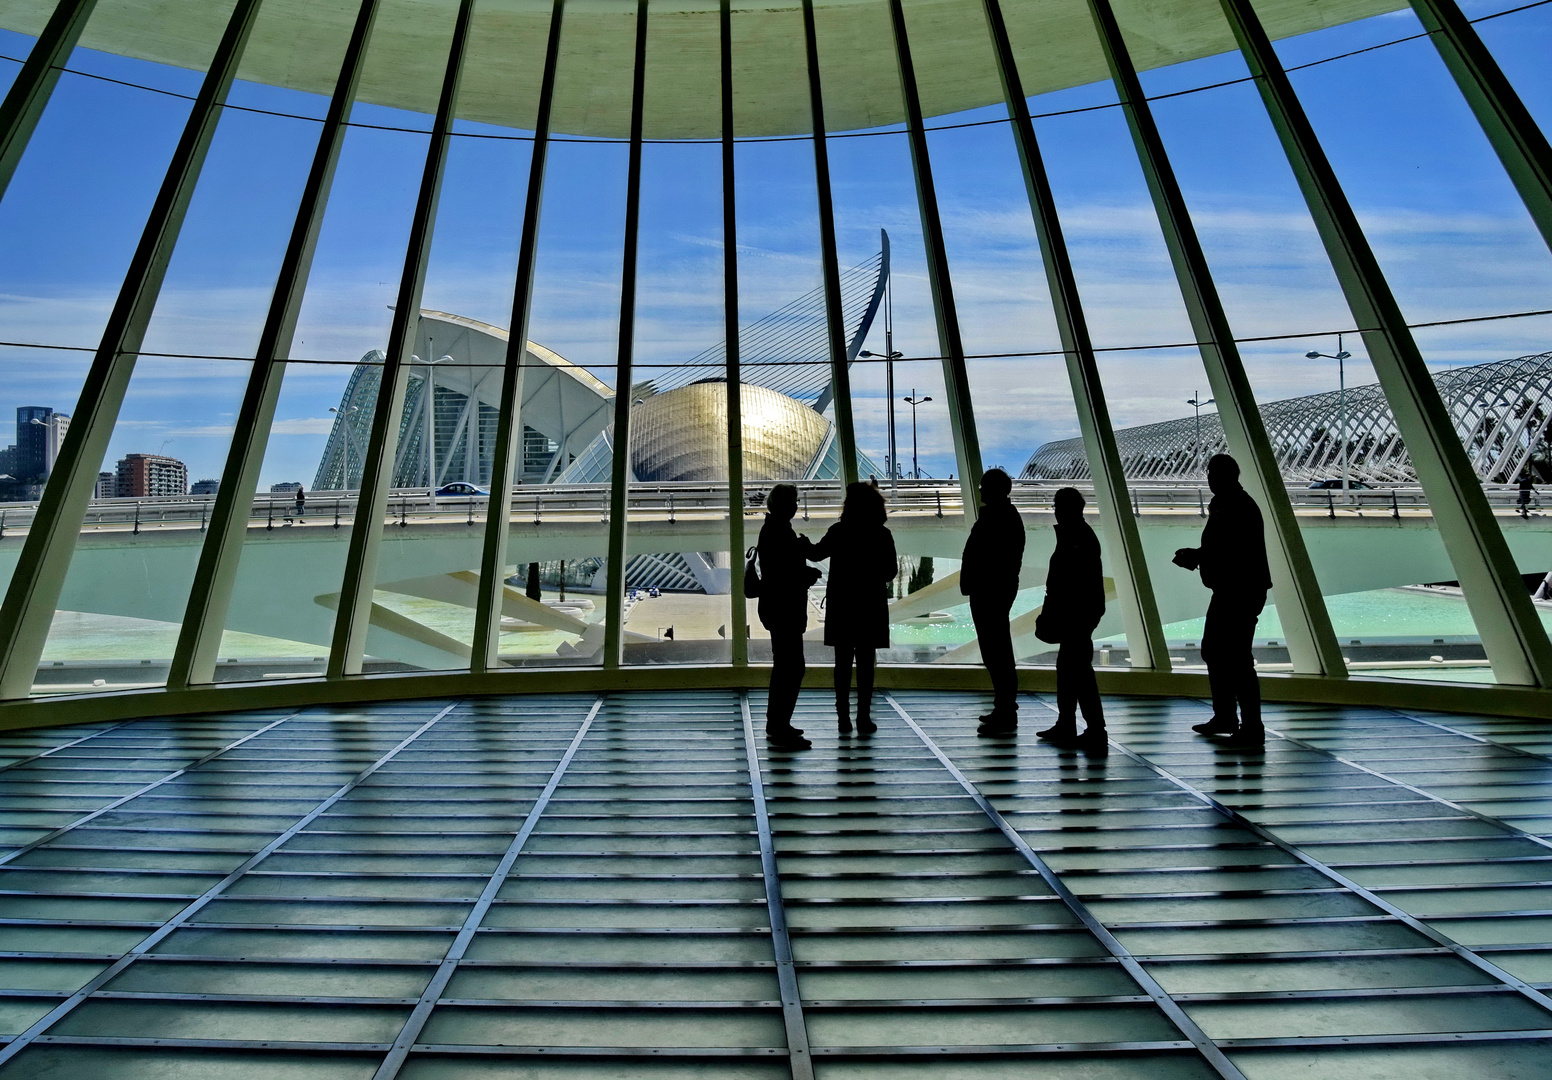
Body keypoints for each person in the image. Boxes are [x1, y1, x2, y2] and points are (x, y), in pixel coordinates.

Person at [1173, 454, 1271, 747]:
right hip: (1235, 590)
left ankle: (1247, 724)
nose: (1209, 479)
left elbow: (1230, 550)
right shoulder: (1231, 503)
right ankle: (1230, 717)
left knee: (1233, 657)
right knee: (1220, 653)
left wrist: (1197, 556)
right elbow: (1224, 548)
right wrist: (1199, 556)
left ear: (1225, 476)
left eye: (1212, 474)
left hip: (1238, 591)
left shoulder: (1234, 506)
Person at [809, 482, 896, 736]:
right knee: (866, 664)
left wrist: (801, 543)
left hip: (843, 604)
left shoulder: (839, 531)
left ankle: (843, 718)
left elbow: (816, 554)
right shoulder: (882, 534)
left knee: (842, 663)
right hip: (870, 605)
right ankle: (863, 718)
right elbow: (891, 571)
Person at [1033, 487, 1108, 752]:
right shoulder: (1079, 535)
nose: (1054, 510)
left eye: (1056, 506)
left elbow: (1065, 584)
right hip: (1081, 614)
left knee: (1075, 670)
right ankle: (1077, 725)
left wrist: (1050, 612)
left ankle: (1090, 727)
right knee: (1073, 669)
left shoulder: (1075, 538)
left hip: (1076, 615)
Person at [959, 468, 1026, 735]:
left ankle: (1006, 710)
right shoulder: (1005, 517)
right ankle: (1004, 707)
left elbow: (987, 557)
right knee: (996, 649)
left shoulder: (997, 519)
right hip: (993, 590)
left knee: (996, 650)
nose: (980, 492)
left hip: (989, 591)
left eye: (983, 487)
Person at [756, 484, 818, 750]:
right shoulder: (779, 531)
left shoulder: (774, 528)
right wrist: (808, 576)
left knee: (785, 667)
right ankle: (779, 727)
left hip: (778, 609)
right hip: (785, 610)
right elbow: (784, 576)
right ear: (784, 505)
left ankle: (778, 723)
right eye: (793, 501)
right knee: (791, 668)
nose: (796, 505)